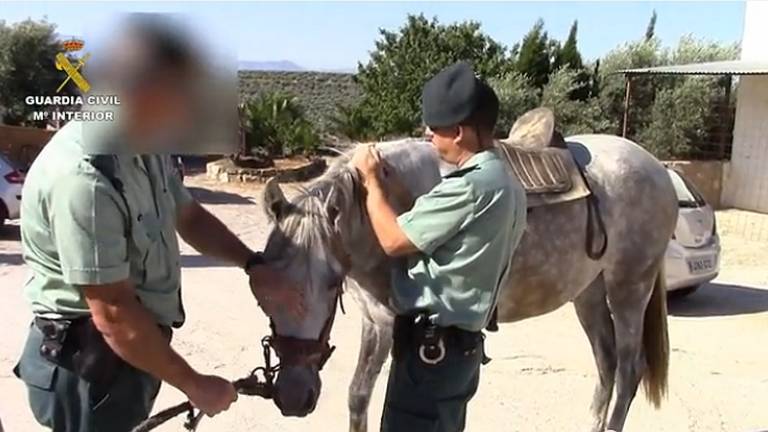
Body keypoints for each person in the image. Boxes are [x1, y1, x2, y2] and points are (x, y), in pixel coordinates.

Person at [13, 17, 303, 432]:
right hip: (86, 371)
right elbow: (112, 311)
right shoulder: (86, 179)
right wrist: (195, 384)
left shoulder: (141, 145)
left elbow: (186, 214)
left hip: (124, 359)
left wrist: (252, 265)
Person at [351, 61, 527, 432]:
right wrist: (397, 192)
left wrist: (371, 181)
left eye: (435, 130)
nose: (430, 137)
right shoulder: (505, 182)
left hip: (431, 356)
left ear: (459, 132)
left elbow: (394, 240)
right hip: (456, 353)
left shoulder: (469, 186)